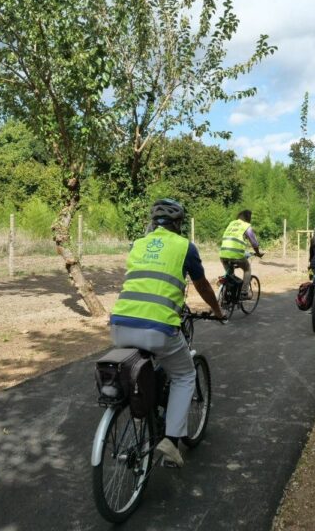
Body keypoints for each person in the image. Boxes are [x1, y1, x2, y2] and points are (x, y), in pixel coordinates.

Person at [110, 198, 224, 468]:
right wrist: (217, 311)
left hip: (119, 325)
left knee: (145, 368)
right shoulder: (185, 247)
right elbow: (202, 285)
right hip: (158, 328)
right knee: (184, 374)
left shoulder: (137, 244)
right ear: (179, 223)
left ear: (153, 222)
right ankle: (171, 441)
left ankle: (146, 415)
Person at [219, 210, 264, 298]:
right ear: (248, 218)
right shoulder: (246, 226)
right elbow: (254, 242)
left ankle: (228, 295)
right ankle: (244, 292)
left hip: (223, 254)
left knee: (230, 276)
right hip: (236, 255)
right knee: (247, 269)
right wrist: (258, 253)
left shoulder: (231, 224)